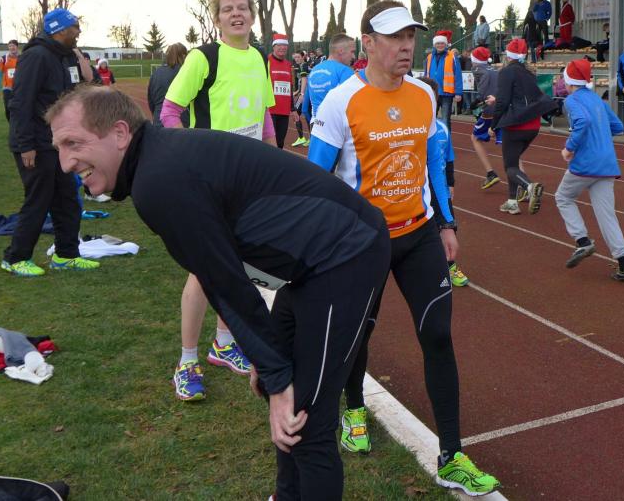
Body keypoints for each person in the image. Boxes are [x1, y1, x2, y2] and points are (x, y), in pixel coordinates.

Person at [47, 85, 390, 501]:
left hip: (347, 253)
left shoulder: (158, 180)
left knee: (305, 418)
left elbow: (225, 283)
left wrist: (276, 374)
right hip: (312, 264)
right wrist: (272, 367)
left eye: (73, 143)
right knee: (285, 399)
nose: (64, 163)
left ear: (119, 133)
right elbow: (226, 278)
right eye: (59, 148)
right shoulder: (157, 161)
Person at [308, 0, 500, 496]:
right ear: (368, 43)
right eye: (394, 37)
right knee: (358, 335)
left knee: (437, 335)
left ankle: (451, 456)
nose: (405, 45)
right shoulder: (340, 102)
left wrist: (447, 223)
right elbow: (314, 181)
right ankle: (354, 410)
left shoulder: (423, 94)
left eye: (410, 36)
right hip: (362, 244)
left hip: (418, 235)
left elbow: (433, 163)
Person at [160, 0, 276, 401]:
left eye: (243, 7)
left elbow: (264, 115)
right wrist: (191, 157)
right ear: (217, 19)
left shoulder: (259, 56)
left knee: (239, 263)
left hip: (248, 181)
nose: (236, 14)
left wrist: (273, 161)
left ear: (252, 15)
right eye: (228, 9)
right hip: (209, 182)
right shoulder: (203, 57)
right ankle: (186, 361)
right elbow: (170, 112)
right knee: (204, 268)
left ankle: (223, 344)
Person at [1, 7, 98, 277]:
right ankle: (15, 258)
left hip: (59, 143)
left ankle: (66, 255)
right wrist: (26, 145)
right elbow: (20, 103)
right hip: (35, 142)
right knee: (38, 199)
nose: (79, 31)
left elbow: (75, 90)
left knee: (67, 199)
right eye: (75, 27)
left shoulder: (66, 57)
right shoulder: (36, 56)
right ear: (60, 30)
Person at [554, 59, 624, 281]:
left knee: (563, 197)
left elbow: (582, 121)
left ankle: (582, 241)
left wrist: (569, 148)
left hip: (585, 164)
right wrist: (599, 134)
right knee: (606, 214)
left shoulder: (572, 100)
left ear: (569, 81)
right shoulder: (597, 99)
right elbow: (618, 127)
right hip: (607, 164)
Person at [490, 38, 556, 215]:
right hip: (533, 124)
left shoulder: (506, 72)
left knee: (510, 166)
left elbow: (502, 101)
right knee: (513, 162)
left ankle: (530, 186)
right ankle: (512, 201)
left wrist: (494, 125)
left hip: (516, 124)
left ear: (508, 55)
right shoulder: (529, 72)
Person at [418, 76, 469, 287]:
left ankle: (450, 265)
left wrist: (451, 183)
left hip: (440, 189)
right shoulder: (412, 127)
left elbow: (449, 159)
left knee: (449, 224)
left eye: (433, 98)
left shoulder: (442, 128)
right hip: (418, 189)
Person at [467, 46, 503, 190]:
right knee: (508, 146)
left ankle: (490, 172)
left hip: (490, 110)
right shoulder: (495, 69)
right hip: (501, 108)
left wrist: (476, 102)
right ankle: (523, 181)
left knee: (475, 138)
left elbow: (482, 91)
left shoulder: (477, 69)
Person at [301, 33, 355, 121]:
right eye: (352, 52)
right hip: (338, 125)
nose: (353, 56)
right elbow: (353, 105)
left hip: (316, 124)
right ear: (341, 51)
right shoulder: (345, 71)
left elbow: (305, 109)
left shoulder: (313, 71)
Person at [424, 30, 462, 132]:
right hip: (433, 92)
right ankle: (431, 138)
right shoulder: (429, 57)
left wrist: (458, 93)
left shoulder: (452, 57)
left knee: (445, 119)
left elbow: (458, 75)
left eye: (442, 43)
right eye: (438, 43)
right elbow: (426, 74)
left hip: (447, 93)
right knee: (431, 118)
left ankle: (446, 139)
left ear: (445, 44)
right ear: (434, 45)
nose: (440, 45)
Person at [147, 43, 189, 127]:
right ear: (183, 56)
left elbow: (151, 101)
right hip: (180, 123)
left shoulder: (156, 73)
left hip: (158, 122)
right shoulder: (185, 73)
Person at [268, 33, 296, 149]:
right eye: (279, 45)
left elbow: (290, 88)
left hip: (284, 111)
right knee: (269, 143)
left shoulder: (288, 65)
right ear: (273, 46)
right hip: (269, 110)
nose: (282, 48)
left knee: (280, 143)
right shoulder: (266, 61)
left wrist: (293, 109)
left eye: (284, 45)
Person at [0, 40, 19, 121]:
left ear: (17, 47)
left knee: (19, 108)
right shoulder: (3, 59)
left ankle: (17, 124)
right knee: (8, 108)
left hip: (19, 88)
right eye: (10, 46)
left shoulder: (22, 58)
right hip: (7, 88)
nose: (12, 47)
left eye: (13, 46)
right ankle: (11, 124)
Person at [290, 50, 309, 147]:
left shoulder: (304, 66)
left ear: (303, 57)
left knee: (296, 113)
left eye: (298, 57)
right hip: (306, 94)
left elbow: (305, 79)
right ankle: (309, 138)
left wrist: (301, 94)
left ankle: (302, 138)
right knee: (308, 115)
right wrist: (297, 92)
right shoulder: (301, 66)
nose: (296, 59)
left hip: (306, 94)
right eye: (295, 57)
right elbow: (302, 82)